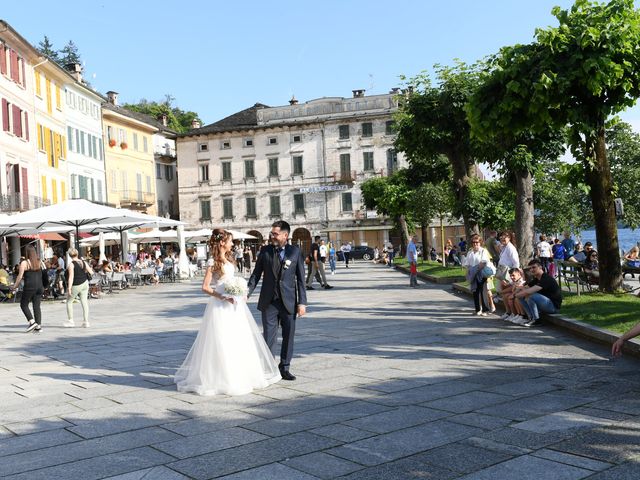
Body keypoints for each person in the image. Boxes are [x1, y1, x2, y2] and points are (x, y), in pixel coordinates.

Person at [175, 229, 281, 396]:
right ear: (222, 243)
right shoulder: (213, 262)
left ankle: (241, 374)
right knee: (222, 340)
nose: (233, 244)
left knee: (239, 338)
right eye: (231, 241)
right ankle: (222, 378)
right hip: (220, 306)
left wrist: (240, 291)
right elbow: (205, 287)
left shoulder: (230, 258)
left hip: (235, 306)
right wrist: (222, 296)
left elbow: (231, 280)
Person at [247, 220, 307, 381]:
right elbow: (256, 274)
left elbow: (301, 279)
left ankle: (285, 367)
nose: (271, 236)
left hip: (289, 302)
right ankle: (269, 367)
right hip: (269, 301)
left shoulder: (295, 252)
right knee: (269, 336)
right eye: (271, 233)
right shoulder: (265, 251)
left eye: (275, 233)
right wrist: (246, 293)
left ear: (285, 235)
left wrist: (302, 303)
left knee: (289, 335)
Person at [516, 259, 562, 327]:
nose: (531, 270)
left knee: (531, 295)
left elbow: (529, 291)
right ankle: (531, 318)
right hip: (545, 304)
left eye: (534, 267)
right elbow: (524, 287)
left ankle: (537, 320)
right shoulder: (536, 279)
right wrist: (518, 291)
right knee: (521, 297)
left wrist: (516, 294)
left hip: (553, 307)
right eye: (530, 268)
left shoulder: (546, 278)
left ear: (540, 267)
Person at [11, 245, 45, 333]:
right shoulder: (39, 261)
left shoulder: (24, 263)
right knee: (36, 306)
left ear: (26, 252)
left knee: (23, 304)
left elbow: (19, 276)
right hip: (39, 286)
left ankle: (32, 322)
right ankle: (38, 326)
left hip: (30, 286)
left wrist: (15, 286)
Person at [463, 235, 495, 316]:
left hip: (481, 272)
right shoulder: (470, 252)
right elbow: (467, 264)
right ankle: (477, 309)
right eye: (473, 242)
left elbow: (483, 262)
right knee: (475, 291)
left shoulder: (483, 251)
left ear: (480, 242)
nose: (475, 244)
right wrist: (468, 274)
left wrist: (475, 270)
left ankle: (485, 310)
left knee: (483, 291)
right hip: (473, 273)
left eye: (477, 242)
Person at [64, 248, 94, 328]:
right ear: (77, 254)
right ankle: (86, 321)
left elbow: (71, 277)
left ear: (70, 255)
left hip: (76, 285)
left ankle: (71, 320)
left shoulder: (71, 264)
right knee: (84, 302)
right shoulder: (84, 262)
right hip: (85, 283)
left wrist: (69, 288)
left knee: (69, 302)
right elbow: (91, 272)